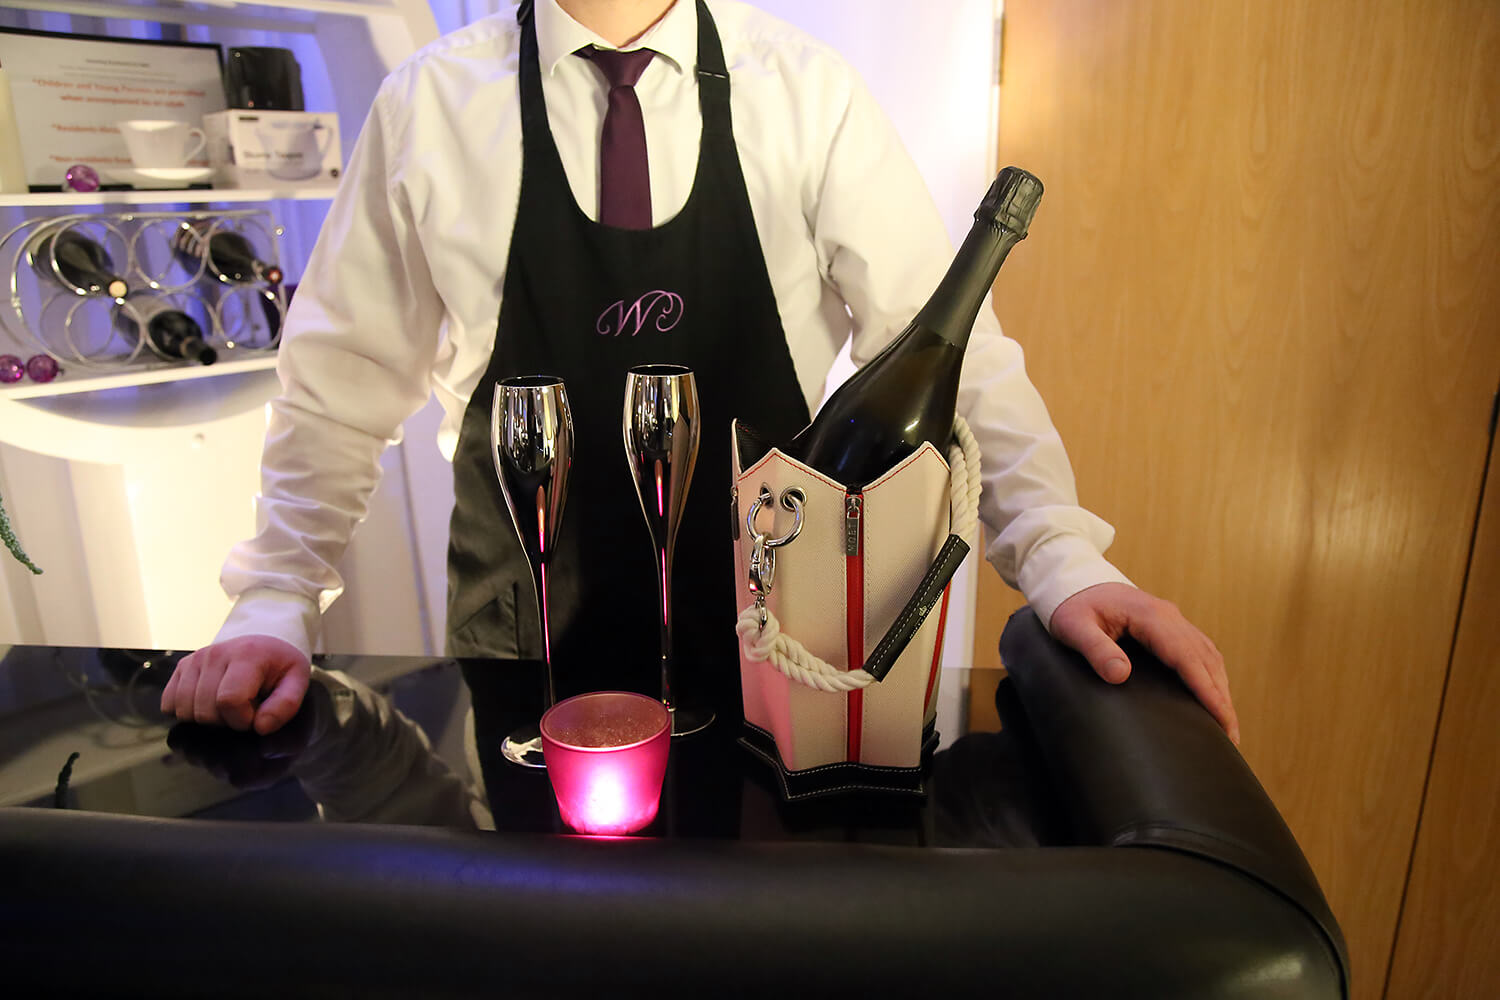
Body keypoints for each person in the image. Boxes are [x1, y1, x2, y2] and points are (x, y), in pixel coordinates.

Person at [161, 0, 1239, 747]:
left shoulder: (808, 94)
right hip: (528, 652)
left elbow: (951, 352)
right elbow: (339, 383)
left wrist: (1061, 558)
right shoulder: (429, 106)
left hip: (781, 649)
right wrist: (274, 598)